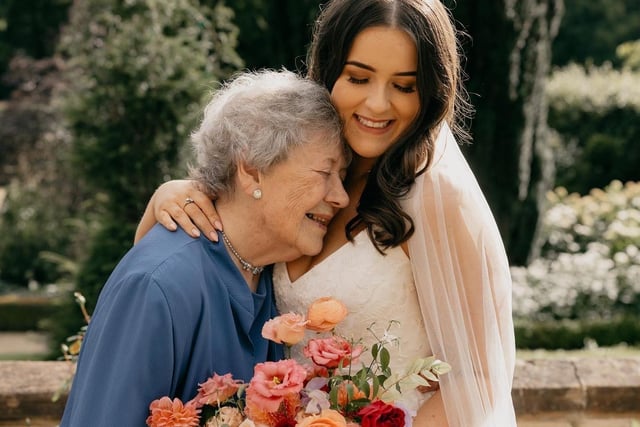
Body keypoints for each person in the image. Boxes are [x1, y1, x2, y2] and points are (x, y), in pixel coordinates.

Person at [135, 1, 517, 426]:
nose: (378, 104)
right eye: (358, 77)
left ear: (428, 94)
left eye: (404, 86)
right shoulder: (292, 174)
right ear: (329, 69)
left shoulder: (434, 197)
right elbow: (168, 267)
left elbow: (478, 380)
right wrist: (166, 197)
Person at [60, 69, 350, 427]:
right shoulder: (157, 286)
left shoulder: (265, 275)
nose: (341, 197)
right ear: (252, 169)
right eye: (325, 173)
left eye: (343, 177)